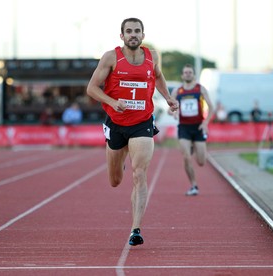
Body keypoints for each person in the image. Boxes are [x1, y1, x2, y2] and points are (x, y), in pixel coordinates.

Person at [86, 17, 178, 246]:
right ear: (122, 36)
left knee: (139, 174)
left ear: (143, 35)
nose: (133, 34)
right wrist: (111, 101)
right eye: (129, 31)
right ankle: (120, 159)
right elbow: (91, 88)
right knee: (115, 180)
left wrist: (168, 98)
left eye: (137, 31)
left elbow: (157, 76)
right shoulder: (111, 57)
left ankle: (135, 229)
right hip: (116, 122)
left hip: (142, 122)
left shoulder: (152, 56)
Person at [168, 64, 214, 196]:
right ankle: (194, 185)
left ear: (193, 75)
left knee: (201, 162)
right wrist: (174, 113)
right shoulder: (177, 91)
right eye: (185, 72)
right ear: (182, 75)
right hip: (184, 128)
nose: (188, 74)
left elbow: (211, 108)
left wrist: (205, 123)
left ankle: (195, 147)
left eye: (190, 72)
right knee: (186, 157)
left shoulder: (200, 89)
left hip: (198, 127)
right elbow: (170, 109)